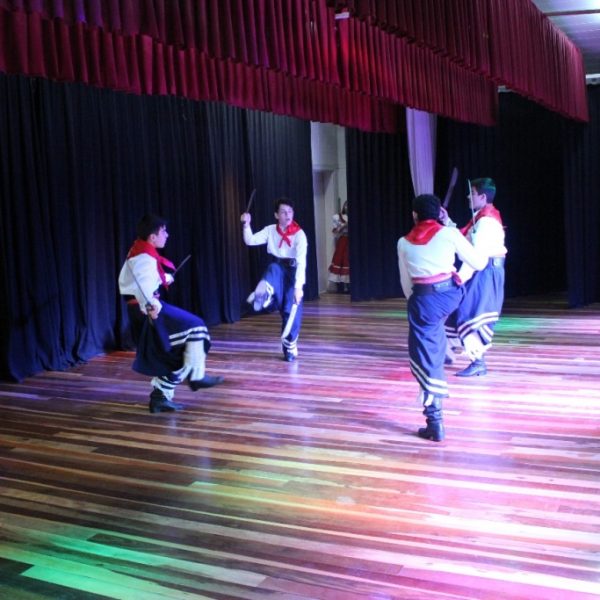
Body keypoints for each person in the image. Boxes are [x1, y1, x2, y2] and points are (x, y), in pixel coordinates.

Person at [398, 194, 488, 441]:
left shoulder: (403, 243)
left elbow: (406, 284)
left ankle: (435, 421)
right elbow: (479, 263)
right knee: (436, 335)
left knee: (426, 356)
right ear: (439, 213)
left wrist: (418, 305)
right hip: (452, 296)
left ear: (414, 215)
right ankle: (453, 344)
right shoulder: (449, 233)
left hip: (425, 300)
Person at [118, 214, 223, 413]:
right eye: (163, 231)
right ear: (152, 237)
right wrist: (152, 307)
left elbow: (141, 280)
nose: (167, 234)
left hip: (145, 308)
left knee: (182, 346)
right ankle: (195, 376)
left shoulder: (141, 252)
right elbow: (142, 289)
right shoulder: (144, 258)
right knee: (195, 329)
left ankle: (162, 397)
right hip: (148, 311)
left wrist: (164, 278)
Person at [442, 178, 507, 377]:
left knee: (470, 315)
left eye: (472, 193)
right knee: (458, 311)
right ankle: (446, 350)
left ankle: (477, 361)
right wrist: (447, 221)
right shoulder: (481, 218)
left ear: (483, 196)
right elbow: (465, 240)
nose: (468, 197)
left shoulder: (487, 222)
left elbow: (476, 256)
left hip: (485, 272)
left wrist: (460, 278)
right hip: (483, 271)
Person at [241, 198, 308, 362]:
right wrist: (246, 225)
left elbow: (301, 262)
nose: (288, 215)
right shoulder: (270, 230)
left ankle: (289, 346)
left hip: (293, 273)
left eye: (290, 212)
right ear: (276, 215)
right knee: (273, 268)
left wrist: (298, 287)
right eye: (284, 212)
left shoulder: (299, 235)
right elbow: (250, 240)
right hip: (278, 270)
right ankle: (264, 293)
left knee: (289, 310)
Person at [328, 200, 350, 293]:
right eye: (346, 205)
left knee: (348, 261)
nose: (347, 207)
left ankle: (349, 287)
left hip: (351, 241)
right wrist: (344, 226)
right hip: (343, 240)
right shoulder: (338, 217)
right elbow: (335, 232)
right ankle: (340, 287)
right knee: (340, 260)